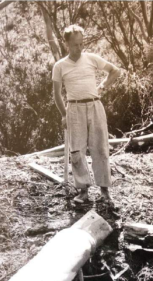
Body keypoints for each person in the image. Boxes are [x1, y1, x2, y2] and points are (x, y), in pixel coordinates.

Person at [52, 24, 120, 203]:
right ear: (67, 43)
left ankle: (105, 191)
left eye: (81, 43)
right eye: (75, 44)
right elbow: (57, 94)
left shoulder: (91, 58)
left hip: (95, 106)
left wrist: (103, 86)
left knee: (100, 148)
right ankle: (83, 191)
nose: (79, 48)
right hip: (73, 109)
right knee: (77, 150)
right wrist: (63, 115)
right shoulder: (60, 66)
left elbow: (115, 71)